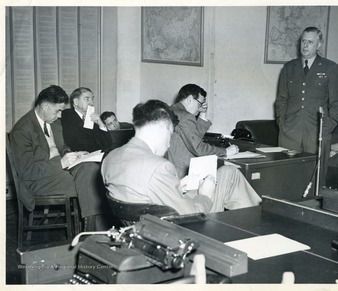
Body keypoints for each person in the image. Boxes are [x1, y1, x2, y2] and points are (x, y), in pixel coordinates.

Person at [102, 99, 261, 215]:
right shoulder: (158, 166)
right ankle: (255, 232)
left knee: (227, 172)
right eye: (170, 134)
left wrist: (176, 185)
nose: (169, 144)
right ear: (162, 129)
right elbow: (191, 214)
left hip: (148, 223)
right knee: (231, 175)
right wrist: (205, 195)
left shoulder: (110, 159)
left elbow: (142, 189)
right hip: (178, 233)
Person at [9, 85, 109, 231]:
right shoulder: (22, 130)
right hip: (37, 182)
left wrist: (73, 153)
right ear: (45, 106)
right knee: (92, 182)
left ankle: (91, 230)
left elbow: (61, 147)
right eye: (58, 111)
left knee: (91, 169)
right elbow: (26, 172)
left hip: (57, 170)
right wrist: (61, 163)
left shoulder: (53, 123)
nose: (61, 115)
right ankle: (93, 232)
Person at [166, 84, 261, 208]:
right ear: (190, 99)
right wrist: (226, 152)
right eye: (199, 104)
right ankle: (256, 213)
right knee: (232, 173)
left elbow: (192, 138)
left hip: (174, 181)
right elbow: (198, 148)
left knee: (228, 173)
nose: (200, 107)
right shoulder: (186, 116)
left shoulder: (171, 111)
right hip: (188, 186)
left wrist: (202, 115)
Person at [275, 27, 338, 188]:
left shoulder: (330, 68)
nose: (305, 45)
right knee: (286, 179)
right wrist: (281, 123)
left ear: (319, 44)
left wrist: (326, 129)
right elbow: (281, 100)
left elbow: (336, 103)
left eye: (310, 42)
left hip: (317, 134)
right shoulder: (289, 68)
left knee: (315, 180)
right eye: (303, 41)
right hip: (289, 133)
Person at [61, 87, 112, 153]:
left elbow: (108, 143)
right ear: (76, 102)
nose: (91, 103)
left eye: (92, 99)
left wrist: (100, 123)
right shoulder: (66, 115)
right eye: (87, 99)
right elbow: (79, 143)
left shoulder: (91, 117)